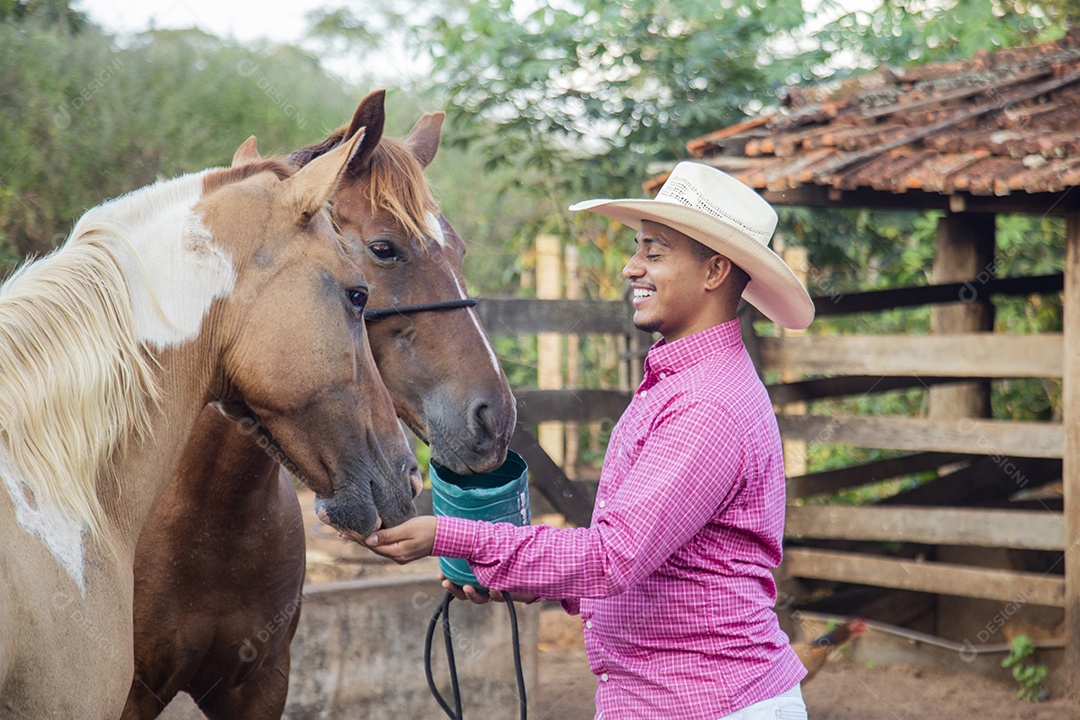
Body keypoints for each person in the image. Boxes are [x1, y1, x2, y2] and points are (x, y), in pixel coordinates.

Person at [362, 161, 816, 719]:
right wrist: (507, 573)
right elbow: (653, 566)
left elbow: (611, 558)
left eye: (653, 253)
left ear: (715, 271)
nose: (631, 268)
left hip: (705, 703)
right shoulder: (680, 385)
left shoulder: (707, 405)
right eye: (637, 250)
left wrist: (456, 538)